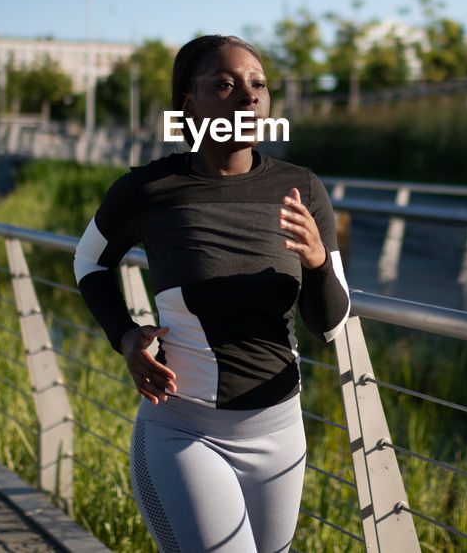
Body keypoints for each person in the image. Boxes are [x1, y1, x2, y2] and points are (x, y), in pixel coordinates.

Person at [74, 34, 351, 553]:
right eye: (225, 85)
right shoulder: (147, 189)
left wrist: (315, 262)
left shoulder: (302, 189)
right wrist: (126, 337)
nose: (248, 97)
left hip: (281, 432)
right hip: (184, 433)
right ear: (189, 104)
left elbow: (332, 323)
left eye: (258, 85)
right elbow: (89, 262)